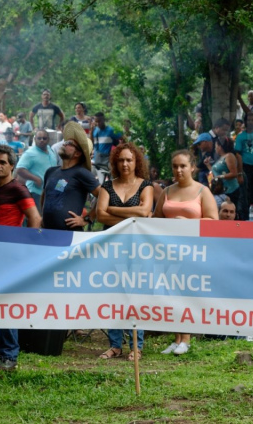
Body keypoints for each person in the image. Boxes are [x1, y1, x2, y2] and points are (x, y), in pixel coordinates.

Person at [0, 145, 42, 370]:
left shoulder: (18, 189)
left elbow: (35, 218)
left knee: (6, 302)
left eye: (3, 162)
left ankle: (10, 354)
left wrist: (27, 248)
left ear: (12, 166)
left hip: (11, 255)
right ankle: (0, 349)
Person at [154, 149, 218, 355]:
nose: (179, 170)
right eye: (175, 166)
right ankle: (176, 338)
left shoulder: (203, 191)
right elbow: (155, 219)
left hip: (193, 250)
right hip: (167, 250)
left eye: (183, 166)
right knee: (172, 293)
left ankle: (187, 339)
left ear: (192, 167)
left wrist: (188, 222)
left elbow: (214, 221)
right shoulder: (166, 191)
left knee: (187, 292)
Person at [95, 142, 153, 361]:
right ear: (115, 163)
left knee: (135, 295)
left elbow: (145, 211)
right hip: (112, 246)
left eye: (129, 159)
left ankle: (136, 346)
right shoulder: (107, 186)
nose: (125, 164)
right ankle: (115, 345)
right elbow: (100, 215)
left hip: (137, 247)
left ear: (136, 162)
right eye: (121, 160)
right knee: (114, 294)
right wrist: (131, 215)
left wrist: (113, 209)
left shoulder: (145, 185)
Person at [41, 122, 100, 230]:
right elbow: (45, 195)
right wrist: (43, 217)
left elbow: (104, 195)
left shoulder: (81, 173)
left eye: (69, 143)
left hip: (70, 235)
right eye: (65, 141)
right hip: (48, 232)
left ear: (77, 153)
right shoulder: (50, 171)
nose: (64, 143)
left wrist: (87, 219)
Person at [15, 129, 59, 203]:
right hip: (36, 192)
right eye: (39, 138)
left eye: (44, 138)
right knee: (37, 211)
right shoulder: (29, 153)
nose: (42, 140)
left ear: (48, 139)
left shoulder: (50, 150)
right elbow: (19, 169)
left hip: (49, 192)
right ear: (35, 139)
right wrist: (35, 179)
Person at [234, 112, 253, 216]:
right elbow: (238, 154)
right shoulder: (240, 136)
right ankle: (244, 215)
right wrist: (240, 173)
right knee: (244, 193)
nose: (251, 122)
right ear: (245, 122)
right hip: (245, 167)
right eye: (248, 120)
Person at [211, 138, 240, 218]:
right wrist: (208, 165)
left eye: (216, 146)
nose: (215, 148)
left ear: (220, 146)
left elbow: (234, 173)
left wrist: (221, 177)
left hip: (231, 190)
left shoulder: (229, 156)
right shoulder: (220, 157)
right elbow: (217, 171)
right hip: (221, 190)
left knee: (229, 213)